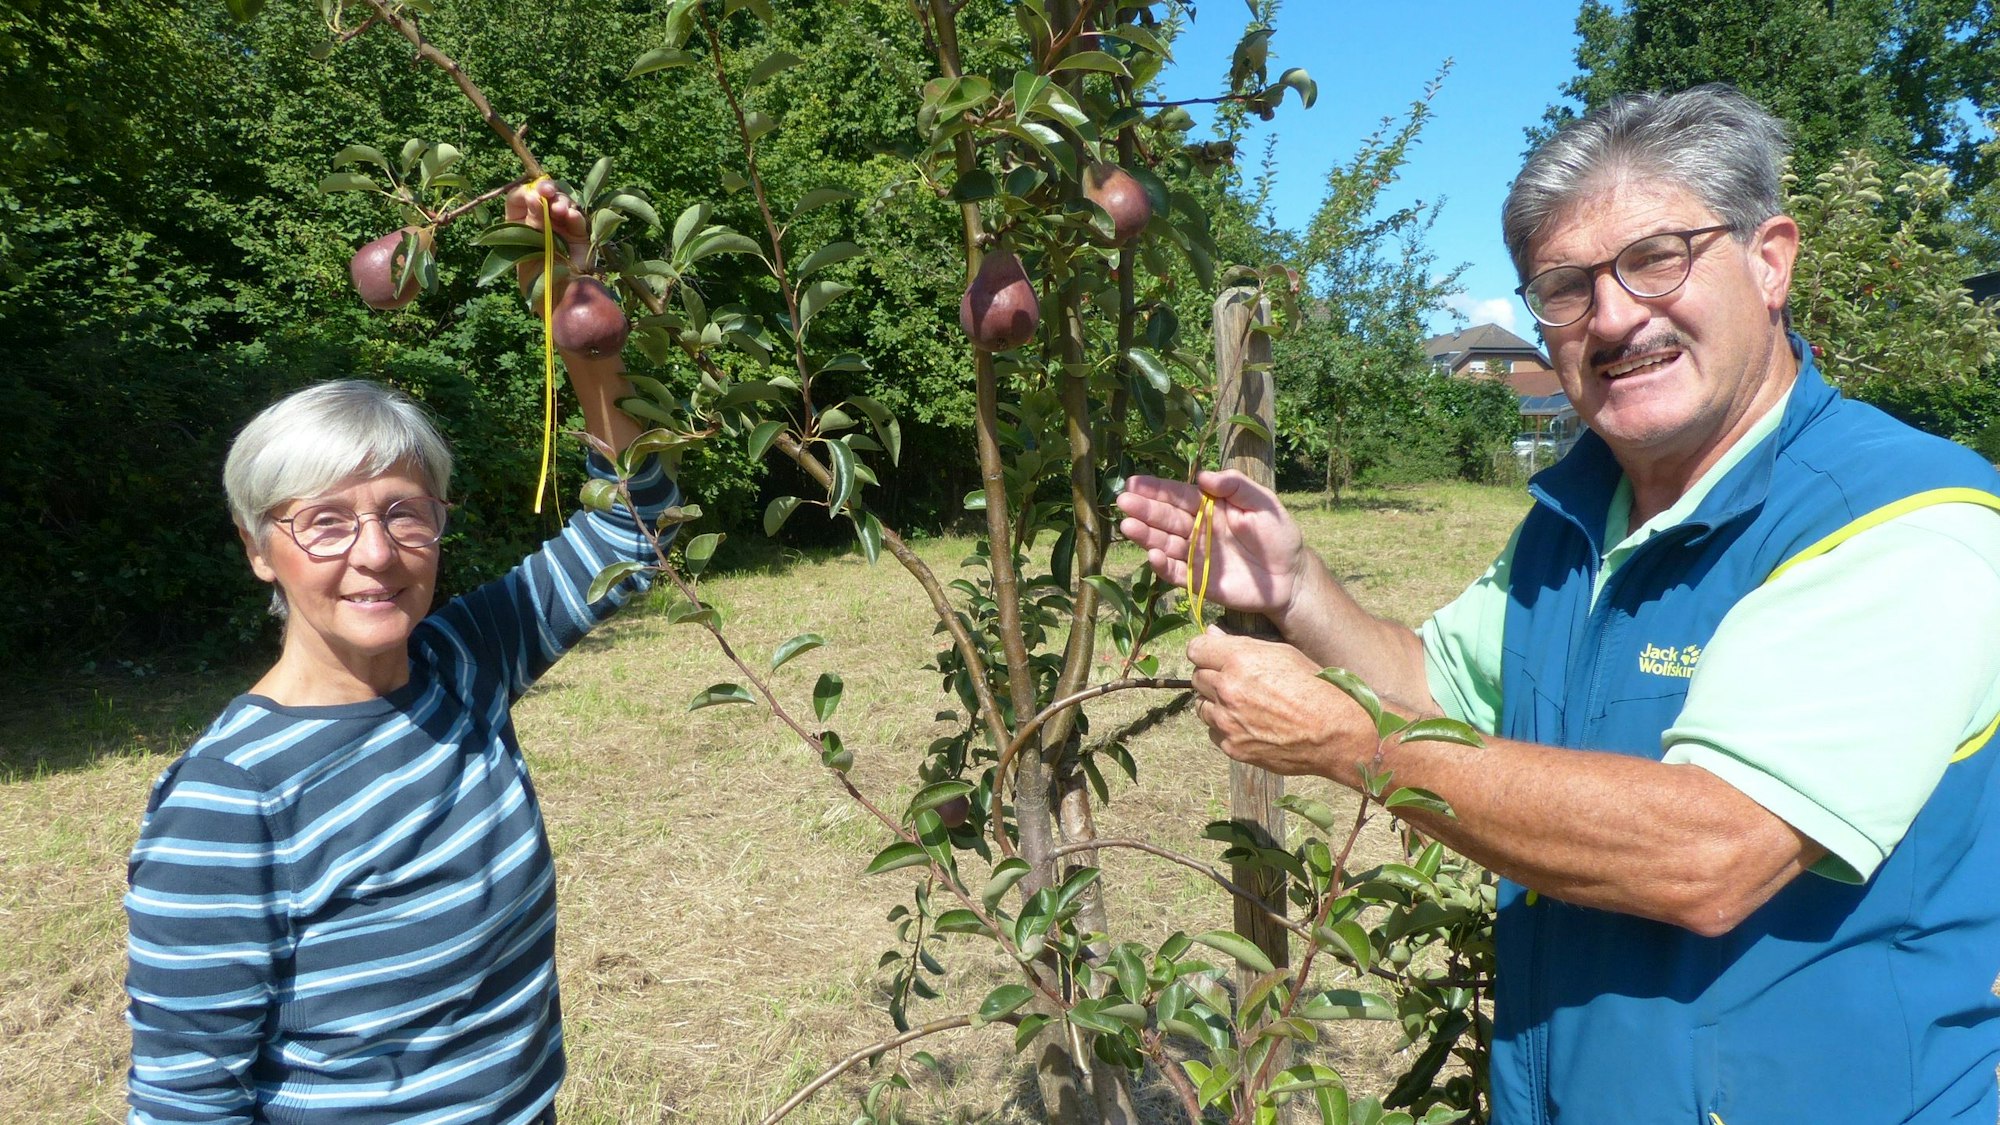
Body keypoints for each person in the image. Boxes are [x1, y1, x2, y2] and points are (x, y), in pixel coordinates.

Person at [1118, 85, 2000, 1124]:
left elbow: (1710, 853)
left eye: (1656, 257)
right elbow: (1436, 686)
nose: (1614, 315)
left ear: (1769, 259)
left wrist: (1347, 744)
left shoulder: (1899, 525)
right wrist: (1296, 586)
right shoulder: (1579, 516)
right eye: (1565, 286)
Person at [123, 181, 666, 1123]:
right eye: (323, 523)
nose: (374, 553)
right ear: (259, 549)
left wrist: (569, 307)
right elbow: (186, 1102)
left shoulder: (463, 663)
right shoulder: (229, 803)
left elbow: (633, 535)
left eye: (403, 512)